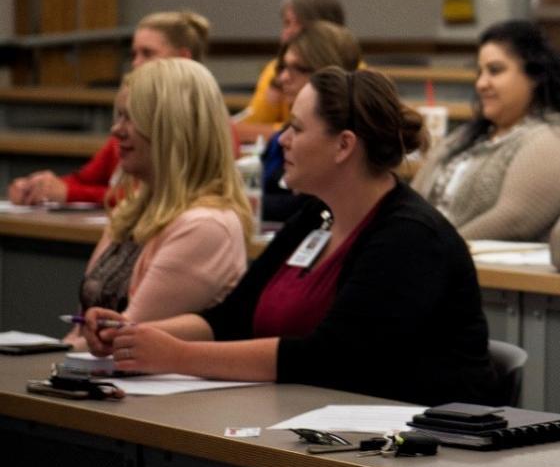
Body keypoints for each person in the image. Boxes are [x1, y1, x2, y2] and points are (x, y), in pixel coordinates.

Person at [84, 68, 495, 406]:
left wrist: (178, 356)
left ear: (343, 146)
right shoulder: (316, 215)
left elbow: (327, 358)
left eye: (296, 128)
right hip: (314, 421)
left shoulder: (409, 238)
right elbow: (231, 318)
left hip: (421, 449)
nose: (282, 140)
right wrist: (134, 338)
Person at [65, 59, 251, 348]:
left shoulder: (206, 226)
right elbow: (81, 332)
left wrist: (45, 359)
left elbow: (118, 341)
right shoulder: (133, 210)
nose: (116, 130)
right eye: (119, 116)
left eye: (131, 118)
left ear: (171, 128)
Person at [412, 20, 560, 241]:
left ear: (535, 77)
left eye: (495, 70)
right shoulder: (468, 135)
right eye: (479, 72)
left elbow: (514, 221)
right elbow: (412, 199)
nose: (482, 83)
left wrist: (430, 252)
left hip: (485, 270)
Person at [8, 10, 209, 206]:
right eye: (133, 54)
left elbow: (157, 196)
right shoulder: (126, 130)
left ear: (183, 58)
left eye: (147, 53)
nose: (136, 63)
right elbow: (85, 179)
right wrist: (38, 187)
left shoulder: (202, 126)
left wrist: (70, 193)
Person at [260, 21, 362, 223]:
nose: (283, 78)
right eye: (283, 67)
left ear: (328, 73)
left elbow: (305, 208)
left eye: (297, 68)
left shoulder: (343, 141)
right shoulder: (279, 139)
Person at [232, 0, 345, 143]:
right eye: (286, 24)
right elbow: (249, 125)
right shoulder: (276, 69)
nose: (286, 34)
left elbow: (324, 132)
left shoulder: (352, 77)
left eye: (293, 24)